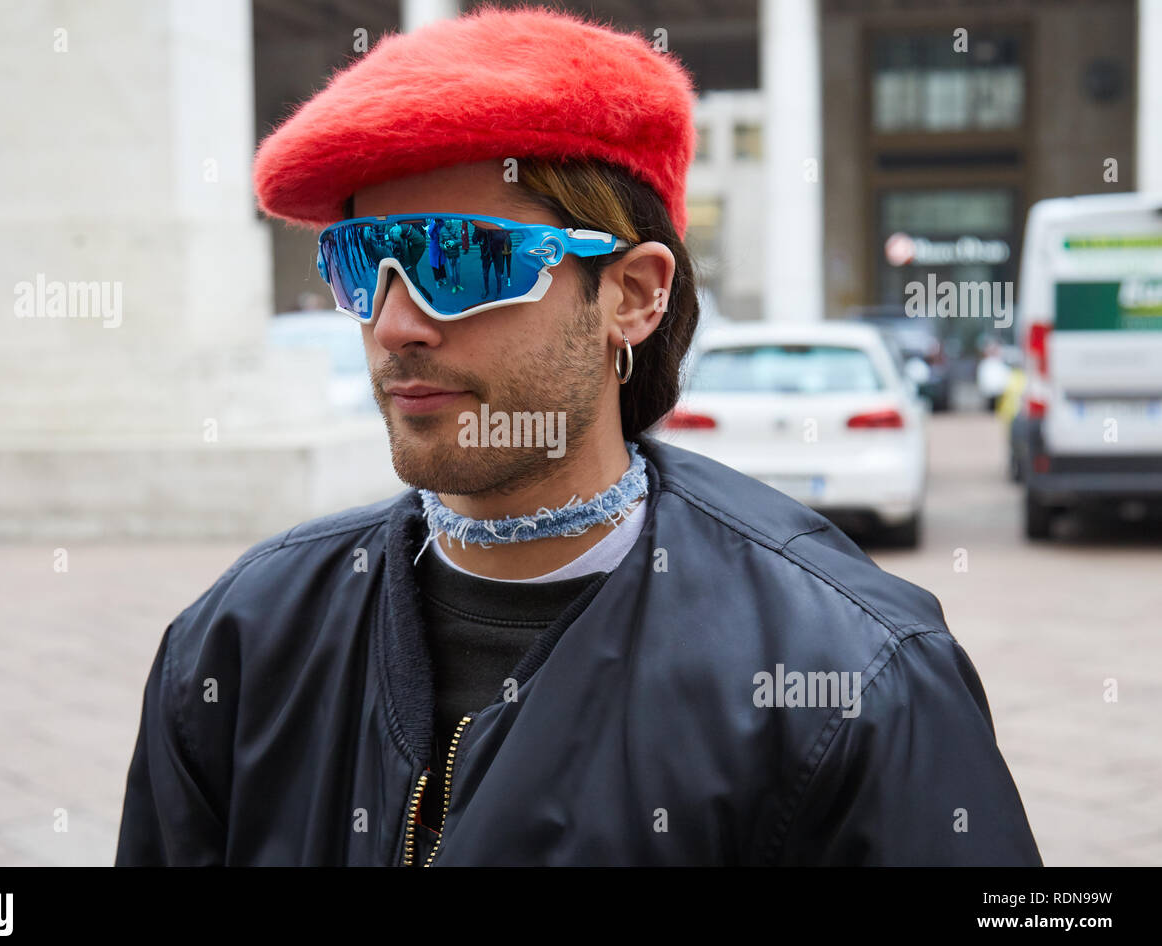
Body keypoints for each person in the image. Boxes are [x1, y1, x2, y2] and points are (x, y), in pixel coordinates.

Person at [116, 5, 1041, 866]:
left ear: (633, 294)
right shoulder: (238, 643)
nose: (397, 323)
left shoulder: (856, 676)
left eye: (459, 259)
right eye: (363, 262)